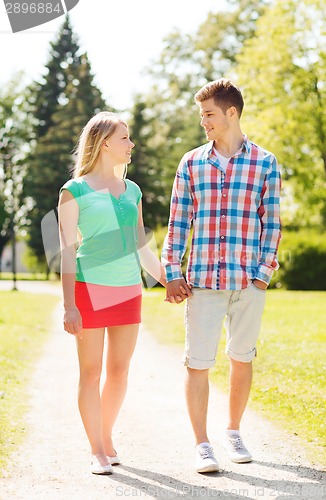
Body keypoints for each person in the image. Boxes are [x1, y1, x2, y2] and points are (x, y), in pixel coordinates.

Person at [162, 78, 281, 473]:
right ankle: (202, 444)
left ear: (231, 113)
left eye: (209, 114)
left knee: (241, 358)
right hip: (202, 282)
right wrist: (171, 271)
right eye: (202, 115)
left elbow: (273, 223)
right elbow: (178, 222)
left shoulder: (265, 162)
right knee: (198, 362)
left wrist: (262, 275)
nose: (204, 122)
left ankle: (233, 431)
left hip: (248, 282)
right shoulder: (192, 162)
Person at [58, 111, 166, 475]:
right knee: (90, 372)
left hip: (128, 290)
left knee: (118, 372)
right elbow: (67, 250)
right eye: (125, 138)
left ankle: (104, 438)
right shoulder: (74, 191)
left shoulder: (132, 190)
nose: (131, 144)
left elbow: (141, 246)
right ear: (105, 143)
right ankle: (96, 450)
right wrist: (69, 305)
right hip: (90, 289)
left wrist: (169, 280)